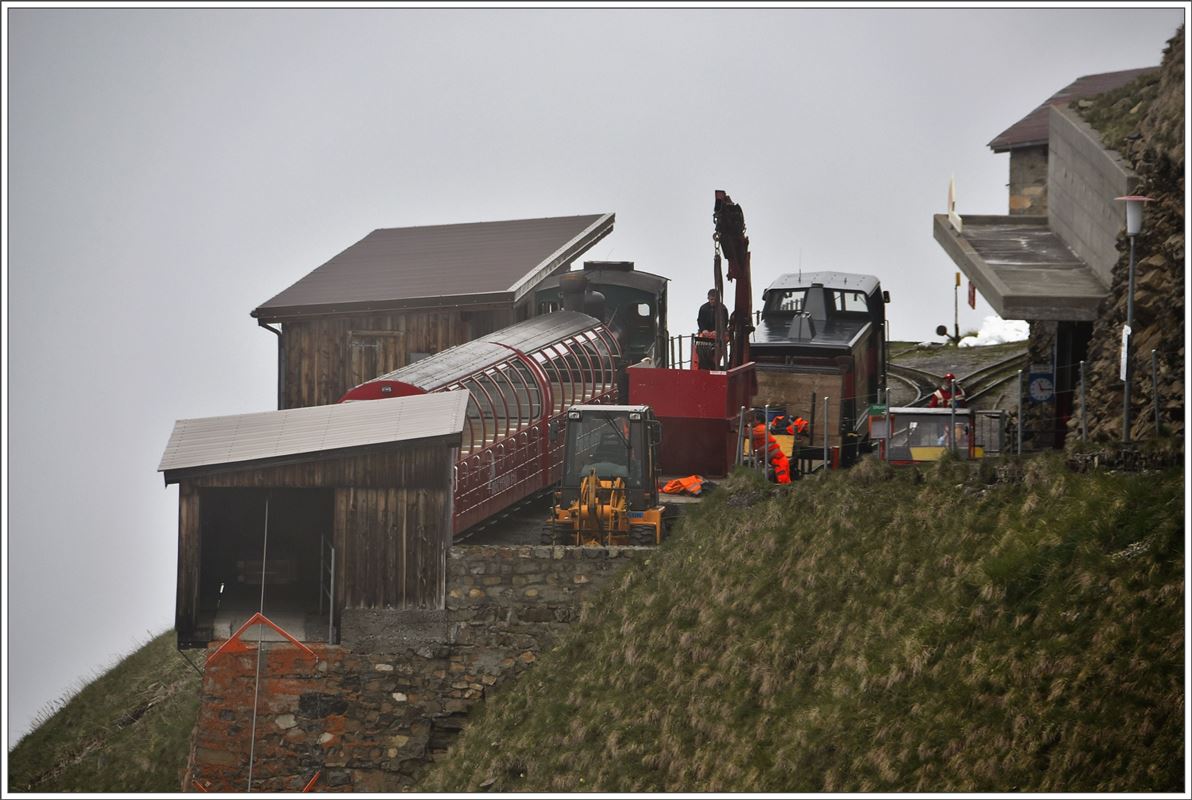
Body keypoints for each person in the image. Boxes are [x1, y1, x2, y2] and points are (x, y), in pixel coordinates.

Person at [751, 413, 792, 484]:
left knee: (783, 482)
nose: (751, 422)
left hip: (778, 460)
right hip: (776, 459)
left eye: (753, 420)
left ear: (758, 420)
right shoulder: (761, 428)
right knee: (785, 481)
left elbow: (747, 433)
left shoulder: (761, 428)